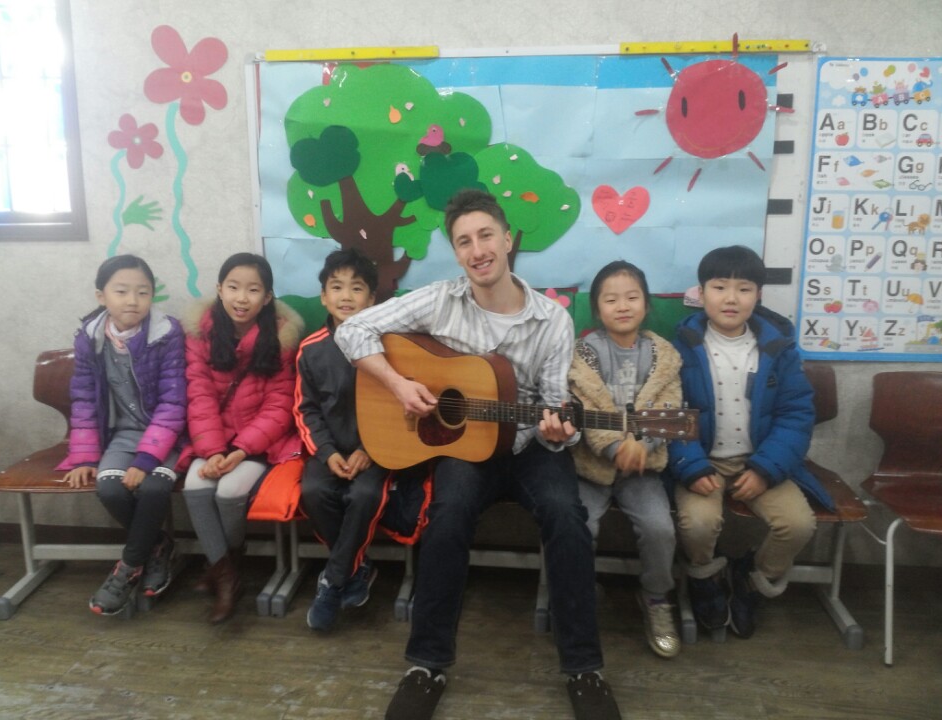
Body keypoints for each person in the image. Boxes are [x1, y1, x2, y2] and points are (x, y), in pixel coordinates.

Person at [335, 189, 621, 720]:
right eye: (464, 241)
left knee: (567, 516)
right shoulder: (439, 300)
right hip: (465, 449)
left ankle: (584, 670)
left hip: (531, 445)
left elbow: (555, 402)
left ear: (508, 239)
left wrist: (558, 430)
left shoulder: (551, 319)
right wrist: (398, 384)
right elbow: (353, 329)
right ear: (456, 252)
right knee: (446, 516)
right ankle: (426, 665)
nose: (477, 250)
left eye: (486, 235)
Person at [666, 245, 833, 639]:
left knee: (797, 525)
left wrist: (765, 469)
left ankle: (751, 581)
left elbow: (795, 415)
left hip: (759, 461)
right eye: (719, 287)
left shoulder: (779, 348)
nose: (731, 298)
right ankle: (705, 579)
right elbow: (670, 414)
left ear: (758, 295)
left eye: (743, 289)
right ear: (701, 293)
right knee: (698, 524)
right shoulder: (679, 347)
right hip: (703, 460)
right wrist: (692, 467)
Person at [58, 255, 187, 615]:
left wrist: (146, 460)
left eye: (143, 292)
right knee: (110, 489)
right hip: (123, 434)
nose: (133, 300)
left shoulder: (167, 334)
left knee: (154, 488)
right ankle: (157, 546)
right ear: (101, 296)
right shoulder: (90, 338)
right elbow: (84, 398)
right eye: (122, 291)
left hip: (169, 435)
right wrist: (85, 457)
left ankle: (128, 568)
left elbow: (174, 403)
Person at [567, 260, 683, 658]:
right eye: (611, 299)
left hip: (643, 470)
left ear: (646, 305)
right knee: (579, 526)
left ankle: (656, 597)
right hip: (591, 467)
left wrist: (642, 444)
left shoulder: (663, 355)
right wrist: (617, 447)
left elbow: (670, 408)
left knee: (660, 528)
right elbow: (583, 407)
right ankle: (579, 594)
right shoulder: (585, 354)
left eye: (632, 297)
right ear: (597, 309)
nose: (622, 306)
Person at [182, 252, 304, 624]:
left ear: (267, 297)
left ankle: (225, 565)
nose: (241, 298)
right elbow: (199, 396)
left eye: (253, 290)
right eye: (233, 287)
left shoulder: (280, 337)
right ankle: (227, 574)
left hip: (260, 443)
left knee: (229, 491)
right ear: (219, 289)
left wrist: (239, 450)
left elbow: (280, 406)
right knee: (194, 485)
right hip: (211, 438)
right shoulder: (200, 333)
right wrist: (213, 451)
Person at [295, 248, 388, 631]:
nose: (346, 296)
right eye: (336, 287)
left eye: (357, 287)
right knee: (313, 492)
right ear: (323, 296)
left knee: (364, 495)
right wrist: (328, 452)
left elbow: (398, 407)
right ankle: (356, 569)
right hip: (329, 451)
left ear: (372, 298)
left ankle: (333, 581)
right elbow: (306, 410)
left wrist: (369, 450)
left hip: (377, 452)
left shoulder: (389, 345)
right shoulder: (310, 349)